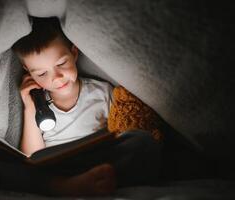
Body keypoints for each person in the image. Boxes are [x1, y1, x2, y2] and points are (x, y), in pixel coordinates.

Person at [12, 17, 162, 196]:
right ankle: (71, 186)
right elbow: (32, 156)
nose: (56, 77)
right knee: (20, 170)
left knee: (142, 141)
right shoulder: (38, 106)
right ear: (28, 72)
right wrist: (30, 107)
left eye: (61, 64)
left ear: (74, 53)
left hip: (101, 161)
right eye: (42, 73)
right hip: (63, 169)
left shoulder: (102, 92)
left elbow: (122, 130)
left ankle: (91, 182)